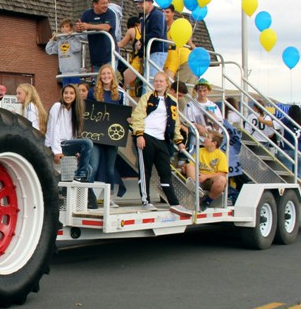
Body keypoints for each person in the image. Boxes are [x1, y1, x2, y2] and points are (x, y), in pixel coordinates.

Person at [130, 72, 189, 214]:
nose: (158, 83)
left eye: (161, 81)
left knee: (165, 171)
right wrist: (139, 135)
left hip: (162, 139)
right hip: (146, 136)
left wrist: (179, 141)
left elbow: (174, 123)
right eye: (156, 81)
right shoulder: (147, 97)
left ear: (167, 84)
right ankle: (145, 200)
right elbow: (137, 116)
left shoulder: (172, 101)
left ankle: (174, 203)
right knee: (146, 171)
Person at [88, 64, 126, 202]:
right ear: (100, 76)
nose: (106, 76)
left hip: (111, 137)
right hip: (96, 136)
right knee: (94, 166)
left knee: (110, 169)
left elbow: (121, 115)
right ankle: (89, 196)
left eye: (108, 74)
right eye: (103, 74)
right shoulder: (93, 92)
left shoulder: (119, 95)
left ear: (113, 76)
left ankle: (109, 198)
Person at [45, 84, 94, 184]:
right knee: (87, 143)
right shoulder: (57, 107)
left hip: (67, 145)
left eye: (71, 93)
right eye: (66, 93)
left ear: (76, 95)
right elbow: (54, 130)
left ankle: (84, 197)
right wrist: (57, 151)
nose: (68, 96)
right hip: (57, 145)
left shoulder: (74, 111)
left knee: (89, 169)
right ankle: (79, 175)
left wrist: (77, 151)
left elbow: (73, 134)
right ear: (62, 94)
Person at [183, 130, 228, 211]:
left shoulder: (221, 155)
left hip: (211, 180)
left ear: (214, 143)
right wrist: (185, 168)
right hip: (198, 178)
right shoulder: (199, 151)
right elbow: (191, 165)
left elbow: (222, 174)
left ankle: (207, 201)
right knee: (189, 165)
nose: (205, 139)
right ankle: (196, 187)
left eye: (208, 137)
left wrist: (206, 176)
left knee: (222, 180)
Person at [76, 0, 117, 72]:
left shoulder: (110, 13)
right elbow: (80, 27)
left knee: (110, 81)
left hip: (109, 56)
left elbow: (107, 27)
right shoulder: (87, 14)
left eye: (107, 3)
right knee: (97, 82)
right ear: (95, 4)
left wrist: (89, 26)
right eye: (103, 3)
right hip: (95, 57)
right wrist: (79, 28)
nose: (106, 5)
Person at [136, 0, 167, 79]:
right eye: (139, 3)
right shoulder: (145, 17)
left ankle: (151, 92)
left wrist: (141, 41)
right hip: (151, 51)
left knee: (151, 78)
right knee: (148, 78)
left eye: (142, 3)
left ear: (149, 3)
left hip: (157, 51)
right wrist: (141, 54)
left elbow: (157, 33)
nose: (140, 6)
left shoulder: (157, 15)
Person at [45, 19, 83, 85]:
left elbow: (76, 48)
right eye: (62, 27)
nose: (64, 29)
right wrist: (52, 40)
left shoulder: (75, 38)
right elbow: (49, 50)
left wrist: (71, 37)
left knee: (75, 92)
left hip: (74, 73)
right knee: (66, 92)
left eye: (66, 26)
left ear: (71, 28)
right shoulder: (60, 41)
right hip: (64, 73)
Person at [279, 104, 301, 179]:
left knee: (288, 175)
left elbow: (275, 124)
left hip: (286, 148)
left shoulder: (285, 120)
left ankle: (289, 189)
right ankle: (299, 189)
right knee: (298, 175)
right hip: (300, 151)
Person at [119, 16, 142, 93]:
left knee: (127, 80)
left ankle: (122, 93)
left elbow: (122, 44)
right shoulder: (151, 30)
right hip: (149, 59)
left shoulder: (132, 30)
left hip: (137, 60)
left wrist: (110, 44)